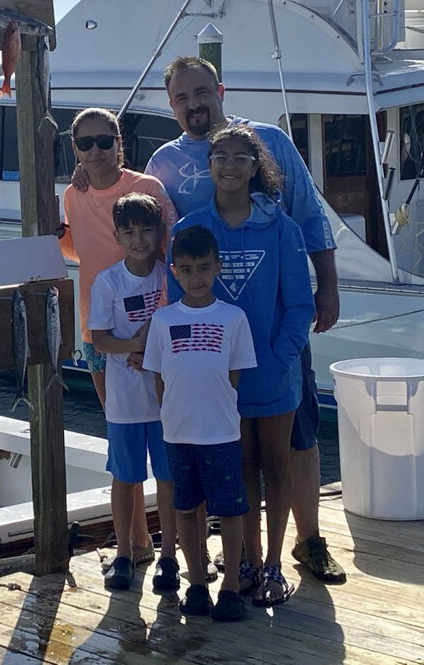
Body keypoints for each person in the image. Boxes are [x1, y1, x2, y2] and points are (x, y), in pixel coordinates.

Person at [147, 55, 346, 584]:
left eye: (202, 92)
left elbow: (307, 211)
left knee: (297, 439)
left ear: (221, 89)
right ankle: (242, 552)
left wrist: (327, 284)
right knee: (231, 453)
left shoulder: (269, 141)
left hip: (274, 325)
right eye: (182, 97)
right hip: (211, 344)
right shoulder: (163, 162)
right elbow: (135, 214)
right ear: (171, 106)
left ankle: (308, 542)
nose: (194, 104)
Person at [169, 124, 314, 606]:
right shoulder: (192, 231)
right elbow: (176, 308)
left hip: (273, 375)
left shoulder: (281, 227)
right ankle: (246, 560)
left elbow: (299, 306)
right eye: (220, 158)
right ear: (208, 165)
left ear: (256, 167)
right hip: (218, 384)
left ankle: (274, 564)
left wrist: (279, 356)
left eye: (240, 158)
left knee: (277, 467)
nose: (229, 167)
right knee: (241, 471)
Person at [59, 107, 179, 570]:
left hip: (155, 330)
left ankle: (172, 547)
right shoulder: (72, 193)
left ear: (119, 142)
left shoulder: (146, 190)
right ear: (75, 148)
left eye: (104, 141)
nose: (95, 151)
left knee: (167, 441)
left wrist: (155, 335)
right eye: (85, 143)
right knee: (121, 433)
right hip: (99, 328)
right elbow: (76, 247)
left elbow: (171, 255)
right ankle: (135, 547)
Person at [143, 224, 257, 622]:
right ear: (174, 271)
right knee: (187, 509)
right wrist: (173, 416)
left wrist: (214, 410)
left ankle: (229, 588)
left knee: (229, 508)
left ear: (217, 268)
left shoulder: (233, 317)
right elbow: (159, 376)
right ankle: (196, 583)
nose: (196, 277)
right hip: (178, 433)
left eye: (204, 268)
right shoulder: (163, 320)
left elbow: (234, 376)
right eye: (187, 269)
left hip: (221, 433)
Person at [88, 193, 179, 593]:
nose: (139, 239)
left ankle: (170, 555)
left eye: (146, 230)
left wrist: (155, 354)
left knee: (169, 477)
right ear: (117, 236)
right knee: (125, 477)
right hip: (125, 401)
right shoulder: (107, 281)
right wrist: (137, 347)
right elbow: (101, 341)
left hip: (166, 401)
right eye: (130, 232)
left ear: (159, 233)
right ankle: (124, 552)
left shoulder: (169, 276)